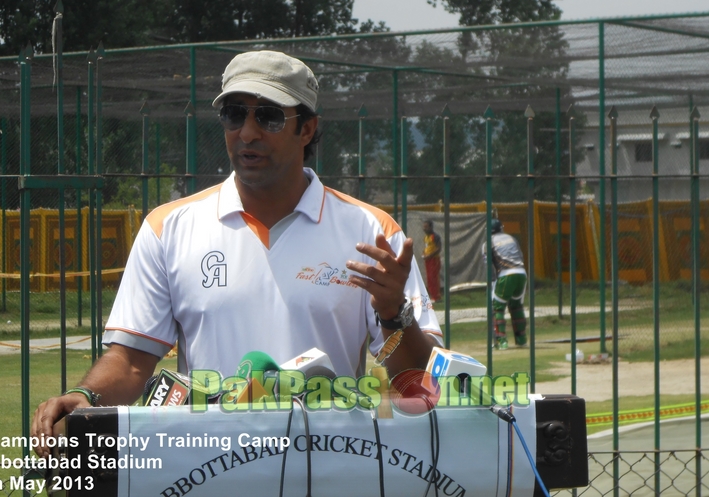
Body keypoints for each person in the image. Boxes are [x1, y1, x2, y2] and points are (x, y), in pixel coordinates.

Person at [31, 50, 442, 455]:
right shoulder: (167, 227)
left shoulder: (371, 232)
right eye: (234, 114)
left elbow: (419, 381)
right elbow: (133, 361)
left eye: (268, 116)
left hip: (327, 467)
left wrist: (394, 314)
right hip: (208, 470)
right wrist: (88, 396)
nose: (247, 132)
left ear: (307, 129)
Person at [481, 218, 527, 350]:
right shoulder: (511, 238)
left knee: (498, 308)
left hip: (506, 274)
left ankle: (502, 342)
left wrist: (492, 281)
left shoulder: (487, 243)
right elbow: (520, 256)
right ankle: (522, 339)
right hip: (522, 273)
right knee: (516, 306)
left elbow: (488, 264)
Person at [421, 219, 441, 303]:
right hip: (428, 260)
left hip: (434, 259)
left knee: (434, 277)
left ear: (431, 227)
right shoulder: (426, 237)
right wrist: (424, 254)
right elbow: (427, 248)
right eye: (424, 227)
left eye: (426, 227)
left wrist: (430, 255)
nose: (424, 229)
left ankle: (436, 297)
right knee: (429, 278)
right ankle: (432, 295)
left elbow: (438, 248)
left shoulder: (435, 236)